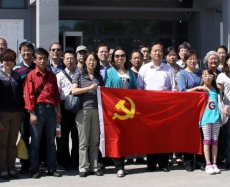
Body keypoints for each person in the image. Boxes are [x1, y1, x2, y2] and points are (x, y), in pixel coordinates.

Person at [137, 42, 176, 172]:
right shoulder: (144, 69)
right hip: (149, 109)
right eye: (155, 50)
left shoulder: (168, 69)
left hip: (164, 108)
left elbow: (173, 89)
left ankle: (163, 163)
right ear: (150, 53)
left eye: (160, 50)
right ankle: (151, 164)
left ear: (163, 53)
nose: (157, 53)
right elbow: (139, 88)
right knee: (151, 136)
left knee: (164, 136)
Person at [24, 48, 62, 179]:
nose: (42, 61)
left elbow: (56, 95)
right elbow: (28, 96)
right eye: (39, 58)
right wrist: (32, 113)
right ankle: (34, 169)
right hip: (37, 110)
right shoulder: (31, 76)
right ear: (34, 60)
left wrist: (59, 112)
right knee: (35, 142)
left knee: (51, 141)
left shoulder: (52, 76)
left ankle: (51, 167)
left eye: (44, 58)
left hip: (51, 110)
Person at [0, 48, 24, 180]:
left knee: (12, 142)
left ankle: (12, 167)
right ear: (1, 61)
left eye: (11, 60)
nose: (9, 62)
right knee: (2, 143)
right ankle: (3, 169)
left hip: (16, 112)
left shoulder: (17, 76)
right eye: (6, 60)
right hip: (2, 113)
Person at [104, 47, 138, 177]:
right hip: (115, 109)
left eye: (122, 55)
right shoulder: (109, 72)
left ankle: (123, 163)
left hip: (128, 110)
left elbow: (135, 89)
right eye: (117, 56)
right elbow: (107, 89)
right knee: (116, 137)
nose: (120, 58)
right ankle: (119, 167)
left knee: (125, 138)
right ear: (113, 58)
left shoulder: (131, 72)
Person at [72, 51, 105, 177]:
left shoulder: (99, 76)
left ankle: (94, 167)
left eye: (94, 60)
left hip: (96, 111)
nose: (92, 62)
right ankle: (83, 167)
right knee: (83, 141)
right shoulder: (79, 75)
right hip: (83, 111)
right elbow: (74, 90)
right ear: (85, 61)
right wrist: (89, 88)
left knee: (94, 141)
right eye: (89, 59)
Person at [178, 50, 204, 171]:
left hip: (201, 107)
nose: (193, 61)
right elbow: (182, 91)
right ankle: (188, 161)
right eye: (190, 59)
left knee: (201, 133)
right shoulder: (182, 74)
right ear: (185, 60)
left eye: (194, 58)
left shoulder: (201, 72)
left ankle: (200, 161)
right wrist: (197, 88)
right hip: (188, 108)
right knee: (189, 134)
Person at [56, 50, 80, 171]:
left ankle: (75, 161)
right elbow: (57, 95)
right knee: (63, 137)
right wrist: (58, 112)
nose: (69, 61)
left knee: (77, 136)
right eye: (67, 59)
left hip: (77, 108)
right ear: (63, 61)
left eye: (71, 58)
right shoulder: (59, 76)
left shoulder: (81, 74)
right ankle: (64, 161)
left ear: (76, 59)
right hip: (64, 108)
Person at [15, 40, 36, 173]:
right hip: (22, 107)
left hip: (36, 106)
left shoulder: (38, 66)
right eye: (24, 50)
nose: (27, 52)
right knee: (24, 135)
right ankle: (24, 162)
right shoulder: (16, 69)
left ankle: (36, 161)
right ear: (20, 52)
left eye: (29, 50)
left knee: (36, 135)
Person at [197, 69, 222, 175]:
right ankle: (208, 164)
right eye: (205, 75)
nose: (207, 77)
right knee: (207, 141)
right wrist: (197, 88)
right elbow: (186, 92)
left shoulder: (216, 89)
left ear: (213, 77)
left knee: (215, 141)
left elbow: (222, 101)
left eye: (209, 75)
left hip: (216, 118)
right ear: (202, 77)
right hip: (205, 119)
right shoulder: (200, 90)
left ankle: (214, 163)